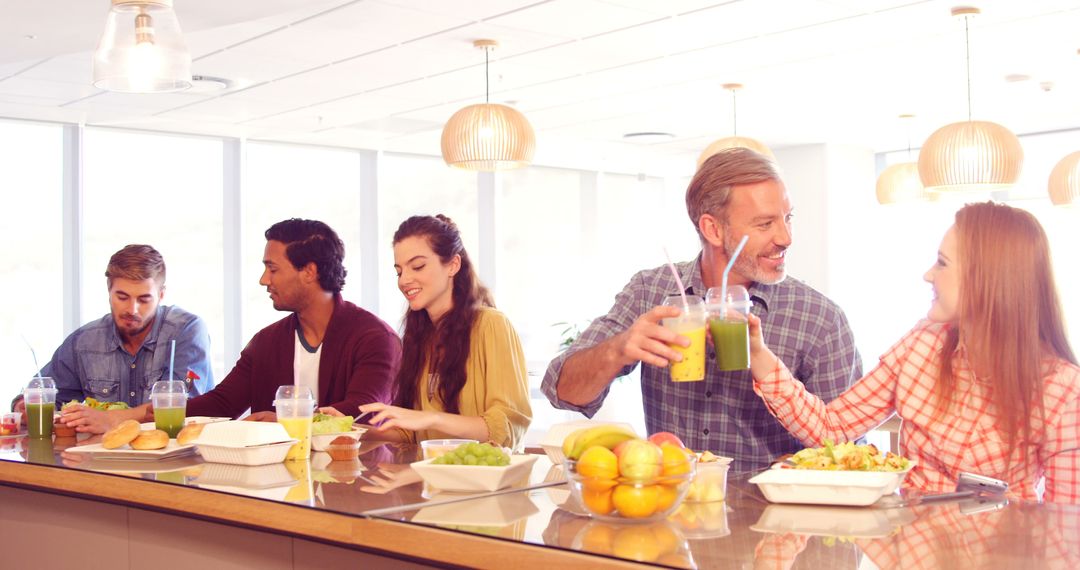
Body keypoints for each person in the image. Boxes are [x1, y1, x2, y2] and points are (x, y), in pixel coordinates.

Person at [542, 148, 861, 471]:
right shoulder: (650, 292)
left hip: (775, 515)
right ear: (712, 229)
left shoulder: (821, 318)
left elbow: (850, 450)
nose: (786, 237)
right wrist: (618, 350)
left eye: (787, 217)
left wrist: (796, 466)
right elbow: (561, 391)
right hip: (672, 509)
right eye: (765, 224)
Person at [747, 202, 1080, 502]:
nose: (928, 275)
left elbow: (1067, 524)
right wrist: (758, 354)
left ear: (987, 279)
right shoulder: (922, 342)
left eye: (942, 263)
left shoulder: (1062, 388)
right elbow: (831, 428)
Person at [69, 219, 401, 432]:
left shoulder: (373, 338)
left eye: (273, 269)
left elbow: (361, 411)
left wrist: (286, 422)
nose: (263, 279)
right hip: (278, 488)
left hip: (356, 487)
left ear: (309, 272)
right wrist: (129, 415)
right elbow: (219, 404)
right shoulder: (268, 342)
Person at [358, 215, 531, 449]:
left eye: (417, 266)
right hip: (433, 482)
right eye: (399, 271)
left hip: (483, 483)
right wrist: (354, 433)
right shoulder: (419, 337)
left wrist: (432, 418)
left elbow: (508, 427)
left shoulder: (491, 325)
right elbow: (414, 435)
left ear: (453, 265)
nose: (405, 280)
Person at [13, 244, 213, 428]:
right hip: (102, 461)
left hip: (180, 458)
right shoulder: (84, 341)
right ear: (109, 290)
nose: (132, 309)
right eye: (122, 297)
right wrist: (24, 405)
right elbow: (48, 393)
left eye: (144, 299)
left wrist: (111, 419)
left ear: (161, 295)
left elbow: (185, 407)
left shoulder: (187, 331)